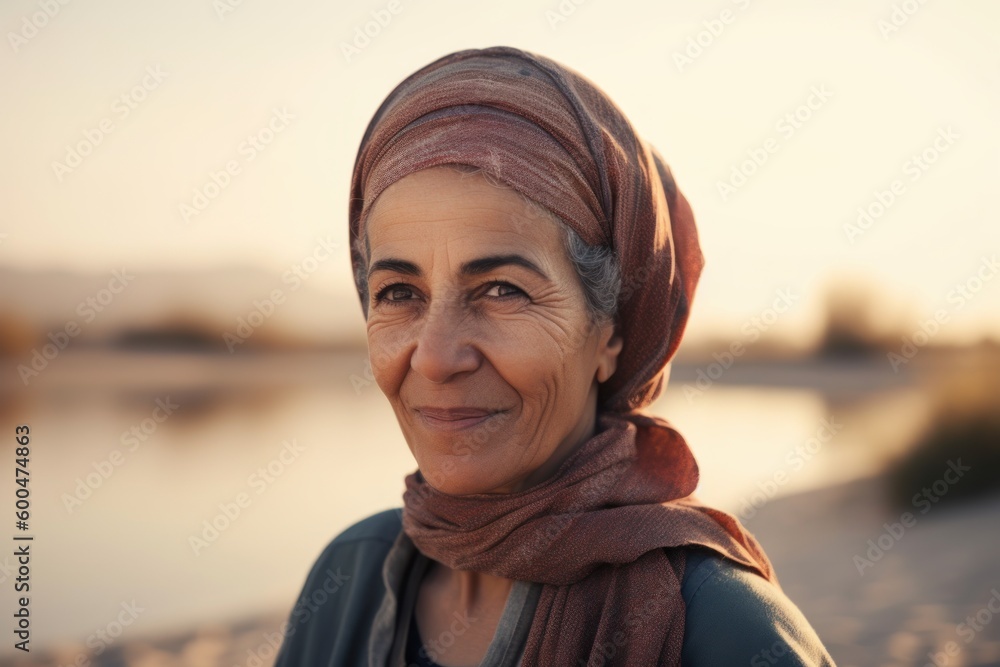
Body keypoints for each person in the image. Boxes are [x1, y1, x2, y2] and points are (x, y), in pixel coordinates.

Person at [274, 45, 836, 666]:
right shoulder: (347, 577)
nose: (434, 359)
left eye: (501, 290)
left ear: (610, 332)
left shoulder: (720, 627)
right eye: (399, 293)